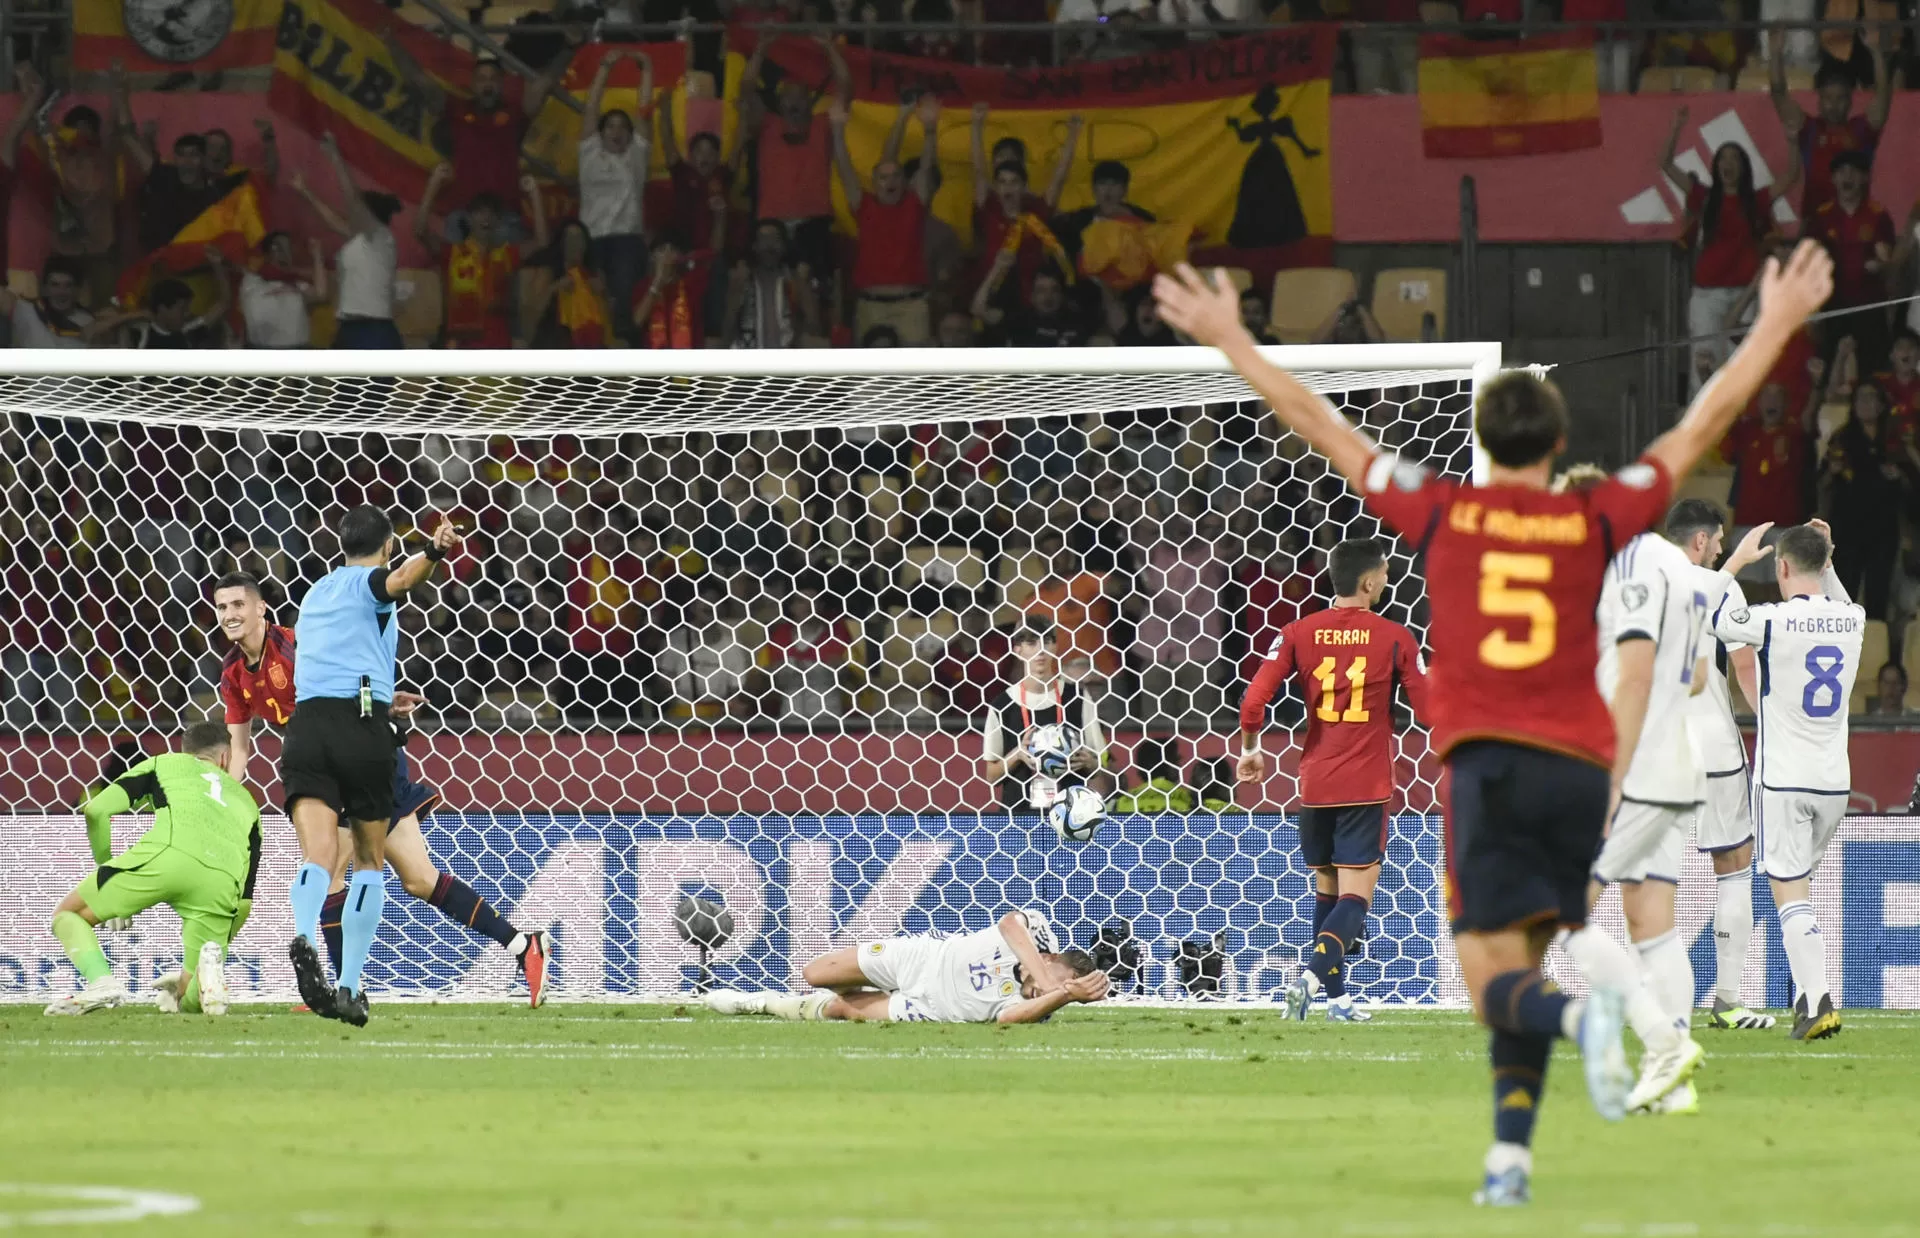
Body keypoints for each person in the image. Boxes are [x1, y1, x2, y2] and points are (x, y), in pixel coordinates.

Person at [1152, 237, 1833, 1204]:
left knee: (1495, 983)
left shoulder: (1443, 514)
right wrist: (1772, 321)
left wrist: (1232, 339)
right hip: (1580, 767)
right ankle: (1510, 1159)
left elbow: (1320, 424)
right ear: (1557, 447)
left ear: (1482, 437)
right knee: (1546, 946)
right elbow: (1702, 421)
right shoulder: (1595, 514)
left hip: (1487, 769)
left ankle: (1586, 1030)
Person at [212, 572, 549, 1009]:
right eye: (222, 607)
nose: (230, 615)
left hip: (362, 755)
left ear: (260, 608)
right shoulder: (233, 674)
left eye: (238, 604)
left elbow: (351, 676)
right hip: (328, 765)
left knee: (333, 870)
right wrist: (220, 793)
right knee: (419, 879)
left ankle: (340, 991)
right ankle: (523, 945)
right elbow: (239, 750)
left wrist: (381, 702)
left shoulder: (298, 643)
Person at [1572, 501, 1735, 1117]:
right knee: (1652, 925)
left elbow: (1638, 678)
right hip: (1675, 766)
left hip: (1635, 770)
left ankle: (1664, 1045)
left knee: (1562, 911)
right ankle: (1676, 1078)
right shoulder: (1684, 578)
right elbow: (1694, 677)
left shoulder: (1636, 569)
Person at [282, 507, 465, 1027]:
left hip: (308, 726)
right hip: (361, 730)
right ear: (386, 546)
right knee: (367, 860)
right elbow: (403, 579)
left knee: (318, 852)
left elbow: (336, 660)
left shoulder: (314, 594)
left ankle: (300, 934)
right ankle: (349, 987)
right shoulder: (370, 581)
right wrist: (434, 550)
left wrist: (384, 698)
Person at [1236, 537, 1427, 1024]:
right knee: (1355, 898)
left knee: (1326, 890)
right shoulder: (1395, 636)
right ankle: (1309, 978)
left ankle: (1337, 1001)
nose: (1386, 581)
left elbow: (1252, 702)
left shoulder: (1298, 631)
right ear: (1368, 581)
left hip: (1315, 781)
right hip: (1365, 783)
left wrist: (1252, 749)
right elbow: (1428, 712)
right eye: (1384, 574)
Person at [1706, 521, 1863, 1042]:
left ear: (1782, 568)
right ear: (1824, 565)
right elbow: (1833, 593)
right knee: (1801, 888)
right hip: (1835, 782)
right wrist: (1829, 559)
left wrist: (1733, 564)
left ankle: (1819, 1002)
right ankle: (1806, 992)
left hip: (1784, 781)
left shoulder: (1771, 621)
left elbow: (1709, 615)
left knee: (1788, 892)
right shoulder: (1854, 618)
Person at [43, 723, 261, 1018]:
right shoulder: (248, 802)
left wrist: (107, 871)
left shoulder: (163, 764)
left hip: (168, 855)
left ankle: (101, 982)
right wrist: (215, 948)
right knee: (189, 999)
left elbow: (96, 810)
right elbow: (245, 903)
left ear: (186, 750)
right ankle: (207, 970)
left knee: (68, 915)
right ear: (225, 758)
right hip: (221, 882)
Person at [1663, 503, 1775, 1033]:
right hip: (1710, 749)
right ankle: (1726, 999)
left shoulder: (1640, 582)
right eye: (1721, 541)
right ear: (1702, 541)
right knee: (1733, 868)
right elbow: (1746, 664)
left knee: (1644, 876)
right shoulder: (1720, 586)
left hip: (1652, 751)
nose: (1725, 549)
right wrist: (1770, 722)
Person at [705, 908, 1110, 1024]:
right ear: (1053, 959)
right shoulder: (1040, 934)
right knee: (815, 975)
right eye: (1059, 981)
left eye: (1061, 992)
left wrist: (1061, 995)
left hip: (931, 1010)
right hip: (920, 959)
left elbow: (1008, 1020)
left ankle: (758, 1004)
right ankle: (798, 996)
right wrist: (1046, 978)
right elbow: (1009, 922)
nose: (1048, 991)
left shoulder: (1042, 1009)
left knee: (844, 1009)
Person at [385, 45, 570, 237]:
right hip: (462, 216)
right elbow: (418, 80)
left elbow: (544, 85)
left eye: (493, 79)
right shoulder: (455, 108)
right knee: (456, 267)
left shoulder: (515, 113)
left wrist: (569, 47)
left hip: (505, 217)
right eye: (482, 79)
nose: (487, 85)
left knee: (508, 267)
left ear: (502, 83)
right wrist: (391, 43)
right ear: (472, 84)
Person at [1660, 109, 1780, 388]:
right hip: (1707, 297)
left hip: (1746, 296)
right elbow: (1665, 164)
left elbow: (1792, 176)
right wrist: (1676, 127)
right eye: (1723, 158)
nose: (1728, 163)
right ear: (1716, 166)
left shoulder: (1756, 200)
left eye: (1735, 158)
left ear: (1744, 166)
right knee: (1703, 364)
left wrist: (1794, 141)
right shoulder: (1703, 196)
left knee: (1744, 368)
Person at [833, 95, 940, 345]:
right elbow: (844, 166)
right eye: (883, 177)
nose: (889, 182)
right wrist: (837, 130)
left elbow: (927, 167)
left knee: (916, 379)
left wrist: (930, 130)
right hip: (870, 307)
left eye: (895, 177)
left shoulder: (915, 204)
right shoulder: (864, 205)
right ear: (874, 183)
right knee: (870, 381)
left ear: (904, 182)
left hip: (911, 306)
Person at [291, 134, 404, 350]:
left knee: (372, 386)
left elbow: (353, 201)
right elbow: (334, 221)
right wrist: (305, 191)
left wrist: (336, 158)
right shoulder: (361, 239)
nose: (351, 214)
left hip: (373, 332)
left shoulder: (381, 237)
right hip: (350, 329)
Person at [979, 620, 1105, 812]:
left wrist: (1091, 763)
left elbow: (1099, 765)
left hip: (1070, 816)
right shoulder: (1002, 705)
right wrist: (1017, 754)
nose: (1041, 650)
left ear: (1055, 647)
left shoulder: (1077, 697)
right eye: (1031, 643)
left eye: (1046, 642)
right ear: (1018, 650)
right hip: (1019, 816)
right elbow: (991, 775)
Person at [417, 169, 549, 348]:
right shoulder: (454, 252)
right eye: (479, 212)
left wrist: (535, 194)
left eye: (491, 213)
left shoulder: (506, 254)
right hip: (460, 348)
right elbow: (420, 231)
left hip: (498, 346)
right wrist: (433, 185)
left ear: (498, 221)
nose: (485, 218)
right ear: (469, 219)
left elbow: (541, 242)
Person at [579, 49, 653, 341]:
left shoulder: (636, 157)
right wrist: (605, 68)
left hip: (626, 241)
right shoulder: (589, 154)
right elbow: (590, 109)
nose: (617, 131)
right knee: (591, 310)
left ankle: (624, 362)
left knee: (622, 308)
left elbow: (645, 108)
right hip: (592, 239)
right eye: (610, 125)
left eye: (623, 126)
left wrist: (646, 69)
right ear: (601, 132)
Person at [1771, 52, 1893, 220]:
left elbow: (1883, 92)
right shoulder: (1810, 130)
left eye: (1840, 98)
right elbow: (1778, 93)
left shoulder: (1861, 130)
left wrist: (1875, 51)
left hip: (1856, 227)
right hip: (1815, 227)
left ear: (1850, 101)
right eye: (1828, 98)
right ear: (1819, 101)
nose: (1833, 105)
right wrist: (1776, 51)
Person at [1803, 152, 1896, 370]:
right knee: (1833, 370)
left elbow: (1887, 260)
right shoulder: (1821, 216)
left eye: (1853, 172)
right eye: (1841, 172)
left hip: (1870, 307)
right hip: (1834, 307)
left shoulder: (1878, 215)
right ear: (1833, 180)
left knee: (1873, 369)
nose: (1848, 177)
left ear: (1864, 178)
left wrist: (1881, 264)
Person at [1823, 378, 1905, 618]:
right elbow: (1824, 480)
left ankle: (1875, 650)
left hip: (1884, 529)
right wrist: (1832, 471)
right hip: (1847, 528)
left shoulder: (1894, 440)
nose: (1865, 403)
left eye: (1871, 398)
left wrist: (1899, 475)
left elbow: (1910, 480)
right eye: (1860, 398)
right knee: (1842, 596)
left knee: (1878, 597)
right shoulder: (1842, 437)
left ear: (1881, 405)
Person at [0, 256, 128, 347]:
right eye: (54, 285)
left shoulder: (88, 320)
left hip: (82, 386)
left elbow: (92, 334)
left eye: (68, 285)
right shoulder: (26, 311)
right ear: (44, 289)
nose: (61, 292)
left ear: (77, 290)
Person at [240, 232, 328, 349]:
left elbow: (320, 294)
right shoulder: (251, 282)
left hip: (298, 351)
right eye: (278, 247)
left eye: (288, 248)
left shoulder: (297, 284)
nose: (284, 253)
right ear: (267, 253)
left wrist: (317, 255)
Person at [123, 266, 229, 349]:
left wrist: (217, 265)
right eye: (182, 309)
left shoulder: (188, 331)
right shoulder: (139, 333)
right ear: (162, 309)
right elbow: (107, 327)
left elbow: (223, 303)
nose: (187, 314)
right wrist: (135, 315)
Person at [1108, 736, 1193, 813]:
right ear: (1169, 765)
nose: (1179, 765)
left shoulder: (1120, 803)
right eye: (1177, 760)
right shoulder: (1190, 801)